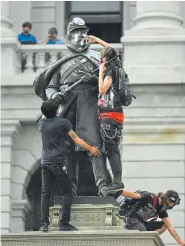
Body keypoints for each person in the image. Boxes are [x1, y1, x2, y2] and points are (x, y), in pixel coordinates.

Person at [33, 17, 113, 197]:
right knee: (68, 150)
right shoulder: (63, 62)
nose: (82, 35)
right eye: (78, 32)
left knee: (95, 145)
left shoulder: (96, 58)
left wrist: (94, 80)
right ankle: (71, 189)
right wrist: (55, 95)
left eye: (84, 32)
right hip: (67, 107)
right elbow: (50, 86)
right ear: (70, 35)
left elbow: (110, 78)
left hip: (89, 106)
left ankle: (102, 186)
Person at [38, 99, 101, 232]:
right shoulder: (63, 123)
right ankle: (64, 223)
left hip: (45, 163)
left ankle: (44, 224)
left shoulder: (41, 124)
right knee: (68, 192)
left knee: (45, 193)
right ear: (57, 111)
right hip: (58, 163)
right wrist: (91, 148)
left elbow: (43, 115)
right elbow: (76, 139)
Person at [96, 46, 125, 196]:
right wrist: (97, 41)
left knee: (111, 148)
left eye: (102, 57)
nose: (101, 60)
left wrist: (101, 71)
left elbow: (102, 89)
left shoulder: (110, 71)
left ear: (106, 59)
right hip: (115, 115)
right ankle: (117, 180)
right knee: (113, 147)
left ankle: (117, 181)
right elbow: (111, 50)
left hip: (110, 114)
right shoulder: (117, 66)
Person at [118, 189, 185, 246]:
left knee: (164, 225)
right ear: (166, 198)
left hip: (142, 222)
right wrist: (118, 191)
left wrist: (181, 243)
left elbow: (171, 228)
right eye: (170, 203)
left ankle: (150, 240)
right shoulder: (149, 196)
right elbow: (133, 195)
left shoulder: (161, 208)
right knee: (143, 231)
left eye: (172, 205)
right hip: (132, 218)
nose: (170, 206)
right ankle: (147, 240)